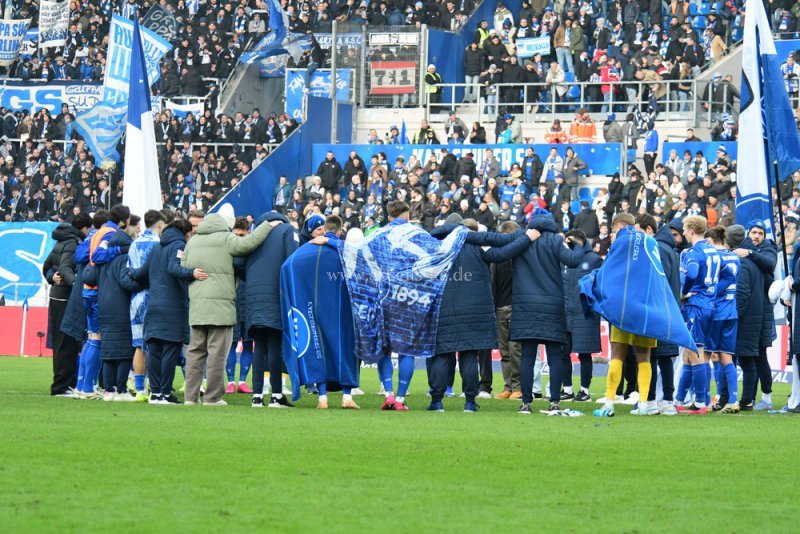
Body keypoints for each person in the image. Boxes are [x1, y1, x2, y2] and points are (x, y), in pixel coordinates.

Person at [467, 208, 585, 414]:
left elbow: (495, 248)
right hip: (552, 305)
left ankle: (526, 402)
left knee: (527, 356)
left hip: (525, 306)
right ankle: (555, 401)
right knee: (554, 357)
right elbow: (573, 261)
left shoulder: (523, 237)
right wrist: (576, 244)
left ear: (531, 220)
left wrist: (470, 239)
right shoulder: (555, 240)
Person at [427, 216, 534, 413]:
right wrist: (528, 236)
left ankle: (437, 401)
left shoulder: (435, 246)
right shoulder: (476, 243)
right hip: (474, 309)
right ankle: (469, 402)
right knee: (469, 356)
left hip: (443, 308)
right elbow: (504, 250)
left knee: (442, 355)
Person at [181, 205, 281, 406]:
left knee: (195, 352)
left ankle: (190, 398)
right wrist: (267, 226)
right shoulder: (226, 239)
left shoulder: (193, 242)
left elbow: (184, 268)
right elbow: (249, 243)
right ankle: (212, 397)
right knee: (217, 353)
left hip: (198, 305)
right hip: (221, 306)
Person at [282, 215, 360, 409]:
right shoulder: (345, 250)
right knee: (346, 349)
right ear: (340, 231)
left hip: (314, 307)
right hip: (344, 311)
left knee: (320, 350)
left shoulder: (306, 250)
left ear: (324, 230)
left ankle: (322, 398)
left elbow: (287, 267)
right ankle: (347, 397)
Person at [132, 218, 205, 404]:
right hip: (172, 306)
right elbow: (174, 268)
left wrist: (126, 273)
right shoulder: (179, 244)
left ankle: (155, 393)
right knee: (170, 350)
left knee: (154, 350)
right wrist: (192, 273)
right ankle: (165, 392)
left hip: (154, 304)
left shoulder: (157, 247)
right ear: (186, 232)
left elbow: (141, 273)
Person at [240, 210, 298, 408]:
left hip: (253, 296)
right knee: (275, 345)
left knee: (259, 345)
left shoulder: (256, 234)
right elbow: (293, 260)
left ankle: (257, 395)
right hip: (275, 292)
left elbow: (239, 262)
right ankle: (276, 395)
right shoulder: (287, 230)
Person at [74, 205, 130, 397]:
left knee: (91, 340)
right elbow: (97, 256)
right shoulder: (110, 233)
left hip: (89, 289)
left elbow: (84, 255)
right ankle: (88, 387)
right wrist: (119, 250)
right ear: (125, 221)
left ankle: (82, 385)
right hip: (97, 290)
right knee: (97, 341)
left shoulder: (97, 231)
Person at [85, 223, 142, 401]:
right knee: (124, 351)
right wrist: (144, 283)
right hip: (121, 307)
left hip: (103, 307)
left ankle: (108, 390)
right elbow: (126, 283)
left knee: (108, 351)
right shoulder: (124, 258)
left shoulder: (102, 259)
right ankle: (121, 390)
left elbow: (88, 277)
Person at [43, 213, 91, 396]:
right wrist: (77, 285)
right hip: (64, 298)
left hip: (57, 297)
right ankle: (61, 386)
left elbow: (47, 266)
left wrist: (50, 277)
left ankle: (65, 383)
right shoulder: (73, 243)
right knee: (66, 343)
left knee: (62, 343)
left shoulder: (61, 241)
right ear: (85, 229)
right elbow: (64, 268)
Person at [674, 215, 719, 414]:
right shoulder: (714, 251)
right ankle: (679, 399)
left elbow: (691, 274)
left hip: (696, 306)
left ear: (691, 229)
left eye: (684, 228)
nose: (683, 232)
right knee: (687, 355)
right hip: (709, 304)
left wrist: (684, 292)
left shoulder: (693, 252)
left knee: (696, 352)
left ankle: (700, 400)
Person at [732, 220, 778, 410]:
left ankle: (766, 396)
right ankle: (749, 397)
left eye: (760, 233)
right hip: (756, 310)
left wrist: (750, 253)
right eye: (754, 233)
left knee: (760, 355)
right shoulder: (751, 253)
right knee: (753, 355)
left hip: (763, 312)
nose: (757, 236)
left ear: (764, 236)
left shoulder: (768, 248)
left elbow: (770, 263)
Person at [644, 217, 683, 415]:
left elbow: (659, 279)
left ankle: (651, 401)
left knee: (651, 356)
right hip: (671, 310)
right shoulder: (672, 250)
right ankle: (668, 401)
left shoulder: (657, 248)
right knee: (666, 358)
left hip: (658, 310)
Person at [561, 229, 603, 402]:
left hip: (585, 314)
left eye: (568, 241)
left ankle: (584, 390)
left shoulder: (594, 260)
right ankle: (568, 389)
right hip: (564, 313)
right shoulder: (563, 259)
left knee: (584, 354)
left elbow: (600, 287)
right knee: (564, 353)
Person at [128, 210, 166, 401]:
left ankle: (140, 389)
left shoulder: (134, 244)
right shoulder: (158, 245)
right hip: (154, 297)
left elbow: (130, 270)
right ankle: (154, 385)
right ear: (160, 225)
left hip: (136, 299)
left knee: (138, 346)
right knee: (153, 344)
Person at [726, 225, 764, 411]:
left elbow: (742, 293)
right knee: (748, 360)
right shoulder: (753, 257)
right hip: (755, 314)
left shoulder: (741, 261)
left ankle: (737, 399)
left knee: (738, 359)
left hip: (744, 318)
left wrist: (735, 317)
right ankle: (746, 400)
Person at [705, 225, 741, 413]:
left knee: (710, 355)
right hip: (731, 311)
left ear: (711, 241)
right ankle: (732, 400)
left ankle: (705, 398)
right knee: (727, 356)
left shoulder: (714, 257)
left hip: (716, 311)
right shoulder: (735, 257)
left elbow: (711, 285)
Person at [492, 221, 522, 400]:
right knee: (504, 350)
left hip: (516, 307)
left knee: (516, 349)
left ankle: (519, 387)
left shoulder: (521, 256)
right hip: (500, 307)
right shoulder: (498, 256)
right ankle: (508, 386)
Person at [226, 217, 254, 394]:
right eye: (236, 235)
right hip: (232, 301)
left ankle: (242, 381)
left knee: (249, 342)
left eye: (242, 235)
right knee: (231, 342)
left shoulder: (253, 251)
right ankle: (230, 382)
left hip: (250, 301)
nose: (239, 238)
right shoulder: (227, 251)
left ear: (249, 234)